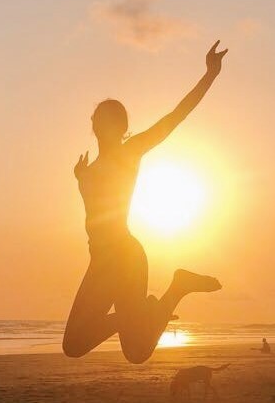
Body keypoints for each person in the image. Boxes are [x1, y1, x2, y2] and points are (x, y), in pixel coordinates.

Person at [62, 41, 228, 364]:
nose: (101, 125)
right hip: (101, 261)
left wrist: (209, 75)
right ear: (94, 125)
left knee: (132, 351)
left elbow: (175, 117)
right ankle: (176, 289)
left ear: (121, 128)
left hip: (124, 257)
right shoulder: (89, 170)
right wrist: (79, 178)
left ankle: (175, 289)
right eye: (98, 120)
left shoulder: (129, 153)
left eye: (109, 121)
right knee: (94, 346)